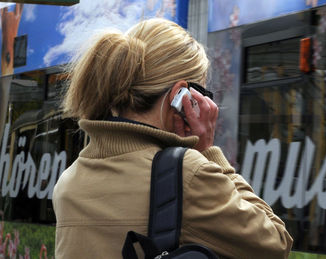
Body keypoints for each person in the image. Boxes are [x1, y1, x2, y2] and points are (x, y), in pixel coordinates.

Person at [52, 18, 293, 259]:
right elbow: (276, 244)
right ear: (180, 96)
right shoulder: (188, 173)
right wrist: (207, 151)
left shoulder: (69, 182)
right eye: (201, 94)